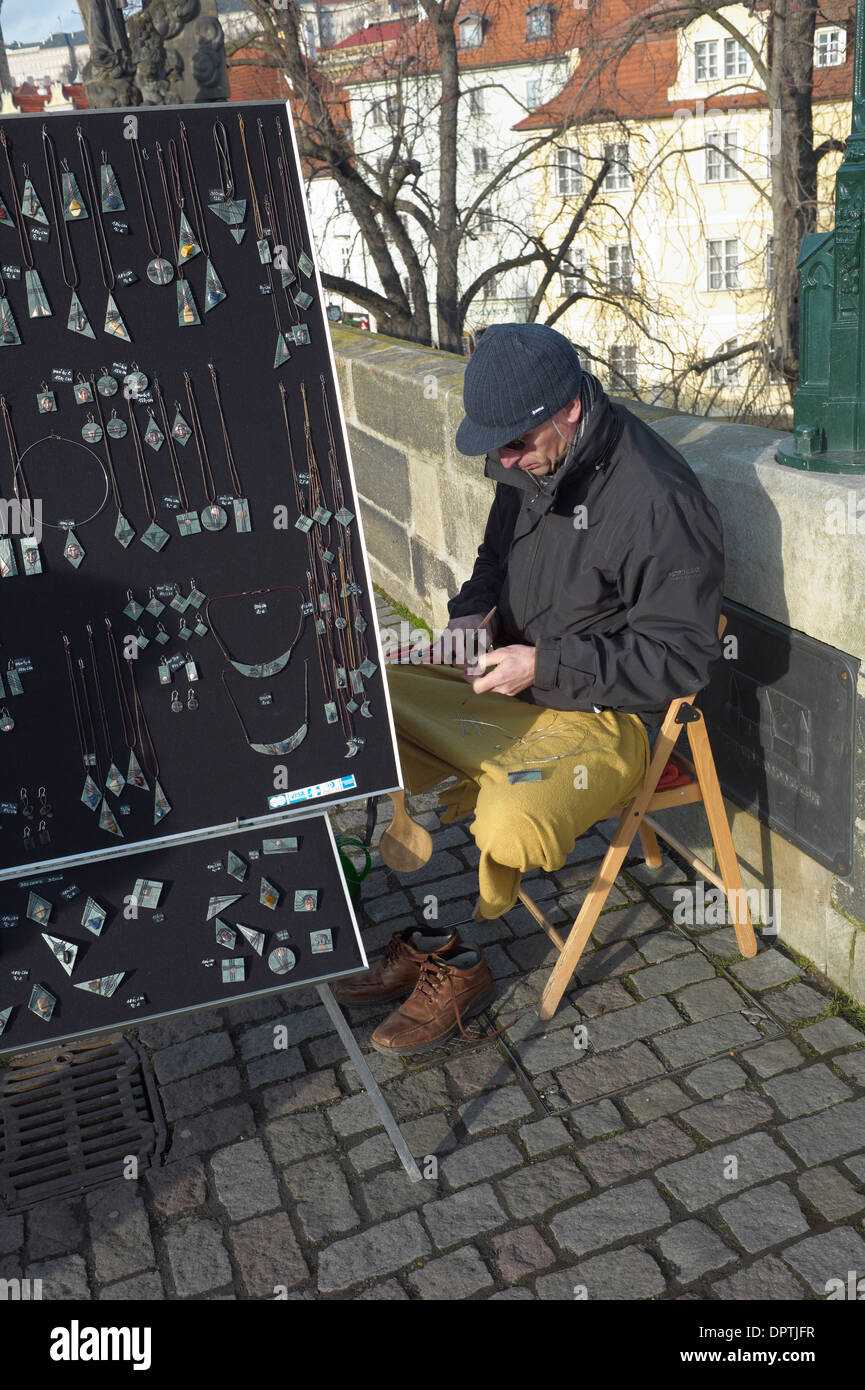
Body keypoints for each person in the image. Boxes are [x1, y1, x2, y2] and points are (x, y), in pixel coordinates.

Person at [335, 323, 725, 1055]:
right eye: (496, 447)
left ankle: (462, 955)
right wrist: (467, 619)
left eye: (511, 444)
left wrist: (540, 665)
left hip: (610, 716)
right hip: (513, 676)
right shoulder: (529, 458)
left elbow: (679, 661)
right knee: (364, 689)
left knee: (510, 821)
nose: (501, 459)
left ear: (568, 410)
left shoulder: (659, 502)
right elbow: (490, 559)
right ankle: (438, 878)